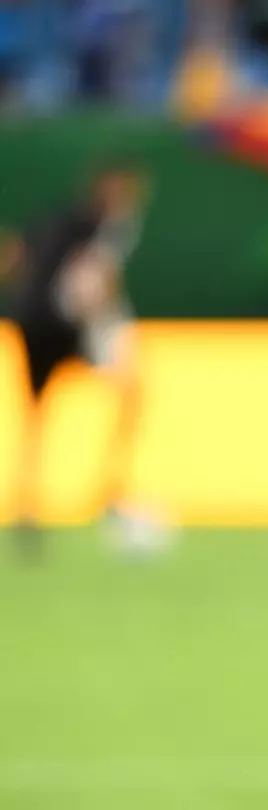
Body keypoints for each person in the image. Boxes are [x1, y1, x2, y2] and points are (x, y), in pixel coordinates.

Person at [3, 158, 157, 561]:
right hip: (68, 327)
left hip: (31, 325)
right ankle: (109, 490)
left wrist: (23, 299)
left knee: (35, 416)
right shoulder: (102, 227)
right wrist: (106, 327)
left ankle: (26, 507)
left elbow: (13, 255)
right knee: (130, 391)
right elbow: (92, 281)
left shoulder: (52, 218)